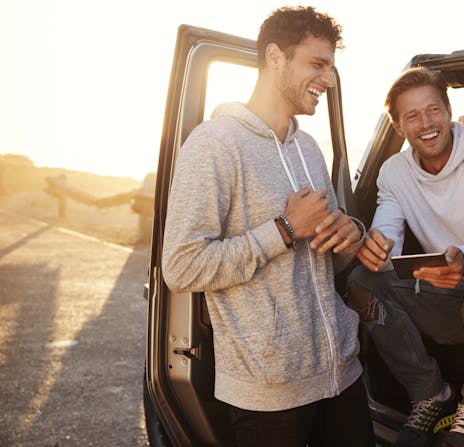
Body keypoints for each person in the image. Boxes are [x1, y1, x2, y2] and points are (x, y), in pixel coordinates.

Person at [161, 6, 374, 447]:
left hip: (340, 374)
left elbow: (329, 251)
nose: (329, 80)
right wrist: (283, 230)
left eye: (332, 68)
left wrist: (351, 234)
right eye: (318, 64)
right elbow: (181, 267)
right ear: (275, 57)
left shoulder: (310, 148)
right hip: (268, 396)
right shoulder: (215, 144)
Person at [347, 67, 464, 447]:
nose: (425, 123)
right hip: (436, 296)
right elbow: (389, 236)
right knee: (361, 282)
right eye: (412, 116)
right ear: (398, 127)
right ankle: (430, 393)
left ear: (448, 111)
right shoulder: (394, 171)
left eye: (433, 110)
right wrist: (376, 246)